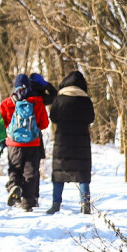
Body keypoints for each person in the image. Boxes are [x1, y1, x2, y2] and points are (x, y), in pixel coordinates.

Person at [47, 70, 96, 214]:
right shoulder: (86, 100)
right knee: (82, 174)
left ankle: (56, 204)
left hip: (63, 141)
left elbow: (53, 117)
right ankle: (85, 204)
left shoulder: (59, 99)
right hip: (81, 141)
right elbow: (91, 118)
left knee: (58, 173)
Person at [0, 73, 49, 211]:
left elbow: (0, 121)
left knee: (14, 168)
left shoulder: (9, 102)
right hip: (33, 143)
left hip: (14, 144)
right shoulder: (37, 101)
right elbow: (44, 124)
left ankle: (14, 186)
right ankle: (28, 203)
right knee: (30, 173)